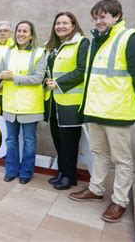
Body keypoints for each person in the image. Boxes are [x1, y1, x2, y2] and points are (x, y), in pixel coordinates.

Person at [69, 0, 135, 223]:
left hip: (117, 113)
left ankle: (119, 202)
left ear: (116, 16)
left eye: (103, 16)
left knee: (122, 160)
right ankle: (96, 189)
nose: (98, 21)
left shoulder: (130, 38)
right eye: (95, 17)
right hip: (96, 110)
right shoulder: (98, 41)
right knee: (100, 154)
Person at [0, 20, 46, 184]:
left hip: (30, 106)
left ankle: (26, 173)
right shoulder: (8, 52)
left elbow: (39, 78)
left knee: (29, 141)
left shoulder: (39, 53)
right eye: (19, 31)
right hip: (10, 105)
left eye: (25, 31)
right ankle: (11, 170)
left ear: (31, 35)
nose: (21, 34)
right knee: (10, 140)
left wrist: (14, 77)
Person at [44, 12, 89, 190]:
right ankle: (63, 172)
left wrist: (59, 83)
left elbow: (82, 69)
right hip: (54, 102)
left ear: (73, 25)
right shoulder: (55, 47)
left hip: (70, 103)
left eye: (65, 23)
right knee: (58, 140)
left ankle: (70, 176)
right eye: (57, 23)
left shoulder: (82, 42)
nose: (60, 26)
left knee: (69, 142)